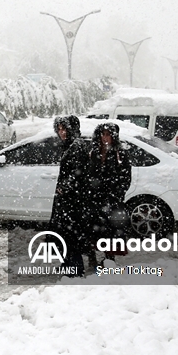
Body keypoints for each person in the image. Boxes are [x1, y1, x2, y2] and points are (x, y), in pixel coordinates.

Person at [83, 122, 133, 266]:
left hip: (111, 200)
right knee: (92, 229)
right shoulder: (93, 152)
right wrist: (90, 190)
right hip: (94, 199)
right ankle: (92, 257)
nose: (105, 138)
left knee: (111, 231)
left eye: (108, 135)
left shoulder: (120, 153)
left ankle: (109, 259)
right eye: (102, 134)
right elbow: (88, 173)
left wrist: (117, 193)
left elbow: (125, 177)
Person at [49, 115, 91, 275]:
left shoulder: (77, 146)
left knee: (71, 234)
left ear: (72, 129)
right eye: (59, 129)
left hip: (73, 200)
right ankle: (68, 263)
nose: (61, 132)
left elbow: (79, 172)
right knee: (65, 233)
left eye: (64, 129)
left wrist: (65, 187)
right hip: (68, 200)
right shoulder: (69, 145)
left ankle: (75, 268)